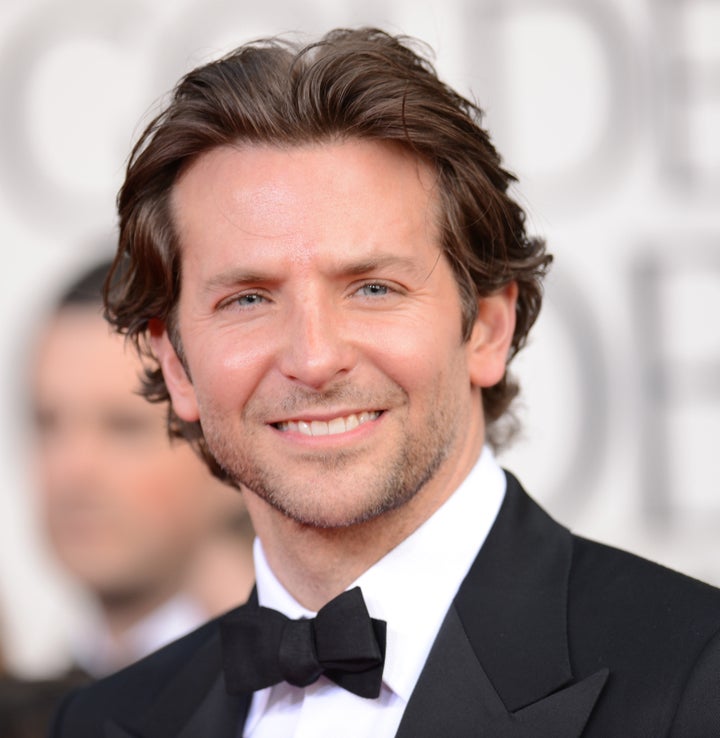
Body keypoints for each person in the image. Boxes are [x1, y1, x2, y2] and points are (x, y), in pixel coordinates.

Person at [49, 28, 720, 737]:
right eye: (247, 298)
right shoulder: (103, 722)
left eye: (373, 287)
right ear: (177, 365)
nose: (314, 357)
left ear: (487, 327)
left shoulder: (697, 683)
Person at [31, 259, 254, 679]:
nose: (72, 469)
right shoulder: (36, 702)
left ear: (223, 448)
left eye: (123, 428)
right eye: (47, 422)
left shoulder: (303, 686)